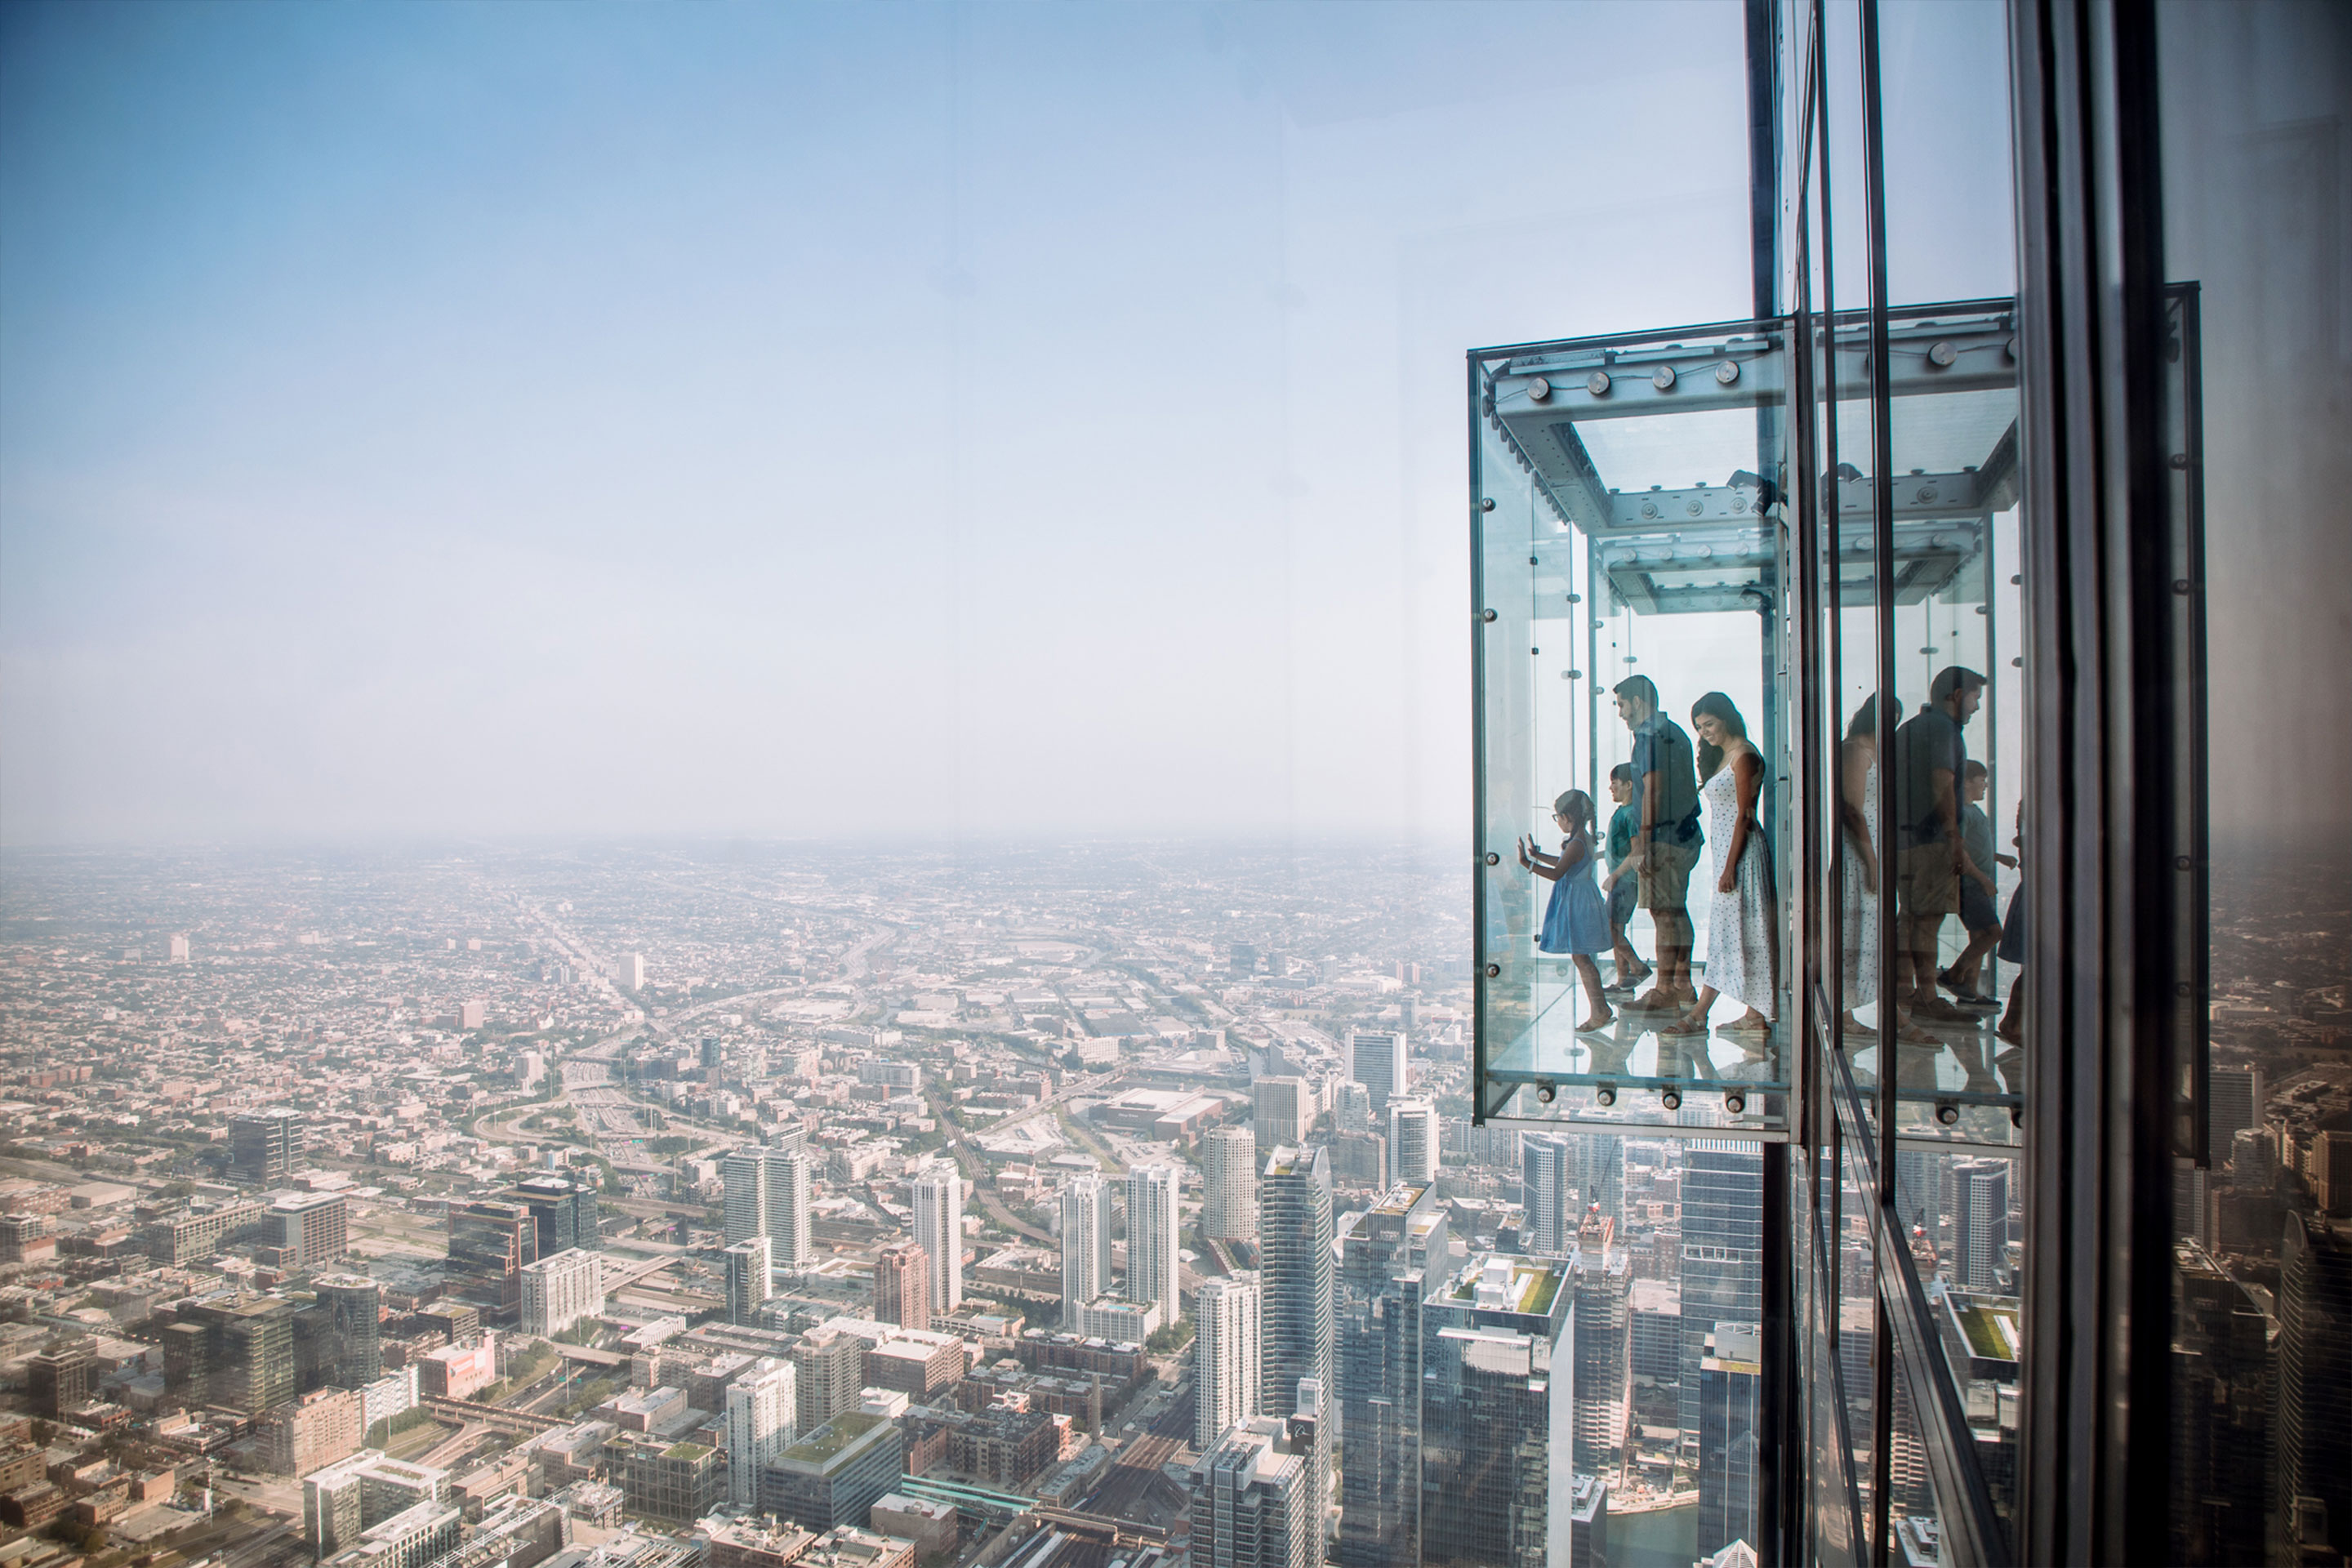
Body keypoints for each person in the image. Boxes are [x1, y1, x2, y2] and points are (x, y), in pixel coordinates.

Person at [1665, 693, 1776, 1037]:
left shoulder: (1743, 755)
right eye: (1700, 727)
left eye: (1709, 724)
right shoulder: (1726, 755)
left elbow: (1745, 814)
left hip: (1742, 856)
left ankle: (1700, 1014)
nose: (1705, 732)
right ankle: (1754, 1013)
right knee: (1740, 932)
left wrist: (1729, 869)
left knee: (1732, 934)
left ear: (1726, 718)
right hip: (1729, 854)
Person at [1891, 665, 1986, 1025]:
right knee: (1927, 921)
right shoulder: (1943, 730)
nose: (1976, 707)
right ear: (1958, 696)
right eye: (1975, 697)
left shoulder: (1912, 728)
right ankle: (1928, 998)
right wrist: (1954, 839)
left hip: (1905, 841)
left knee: (1910, 920)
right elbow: (1942, 785)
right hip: (1931, 842)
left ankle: (1905, 993)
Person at [1604, 675, 1704, 1015]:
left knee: (1664, 914)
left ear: (1637, 701)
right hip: (1685, 836)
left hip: (1664, 839)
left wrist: (1643, 843)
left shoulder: (1649, 737)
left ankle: (1665, 990)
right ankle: (1682, 985)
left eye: (1621, 704)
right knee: (1676, 910)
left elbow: (1655, 791)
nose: (1620, 713)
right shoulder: (1673, 731)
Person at [1518, 789, 1615, 1033]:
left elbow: (1558, 873)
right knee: (1581, 956)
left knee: (1581, 957)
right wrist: (1538, 856)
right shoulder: (1583, 838)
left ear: (1568, 817)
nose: (1558, 821)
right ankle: (1600, 1009)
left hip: (1577, 901)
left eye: (1558, 817)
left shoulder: (1577, 842)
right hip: (1581, 897)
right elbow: (1564, 863)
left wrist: (1528, 864)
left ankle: (1600, 1011)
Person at [1940, 760, 2014, 1005]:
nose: (1986, 786)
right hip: (1970, 884)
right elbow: (1959, 851)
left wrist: (1998, 857)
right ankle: (1953, 975)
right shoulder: (1962, 812)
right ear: (1967, 782)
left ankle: (1968, 991)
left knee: (1979, 936)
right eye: (1982, 780)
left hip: (1974, 883)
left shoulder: (1972, 811)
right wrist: (1982, 879)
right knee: (1994, 933)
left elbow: (1974, 848)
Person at [1838, 695, 1884, 1039]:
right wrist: (1870, 861)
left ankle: (1849, 1015)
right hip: (1857, 855)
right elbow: (1853, 810)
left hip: (1867, 852)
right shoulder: (1856, 750)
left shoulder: (1868, 751)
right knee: (1852, 932)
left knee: (1862, 933)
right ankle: (1845, 1015)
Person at [1602, 763, 1650, 994]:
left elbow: (1636, 851)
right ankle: (1624, 980)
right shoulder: (1623, 811)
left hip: (1626, 881)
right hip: (1621, 881)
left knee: (1611, 929)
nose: (1611, 787)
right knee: (1614, 928)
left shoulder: (1631, 813)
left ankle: (1638, 967)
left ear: (1629, 785)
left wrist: (1616, 875)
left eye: (1615, 783)